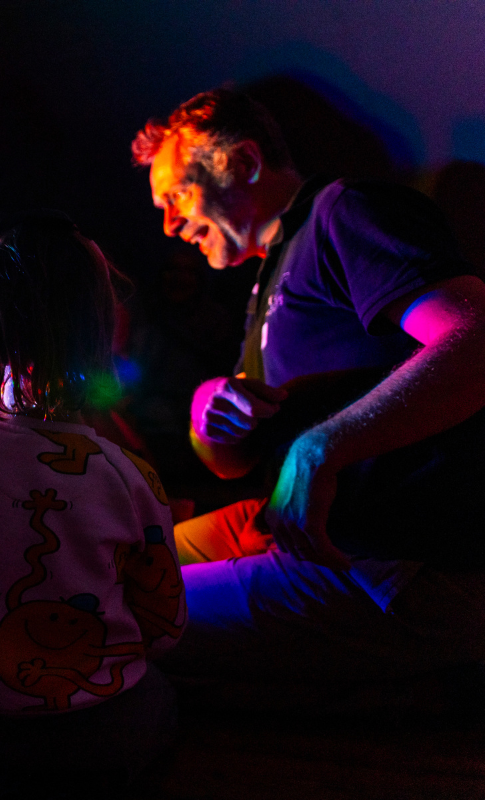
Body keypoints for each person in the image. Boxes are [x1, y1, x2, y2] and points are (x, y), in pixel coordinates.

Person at [131, 89, 485, 706]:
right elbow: (227, 463)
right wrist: (207, 414)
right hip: (286, 525)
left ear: (243, 162)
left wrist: (321, 447)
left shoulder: (343, 212)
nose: (170, 223)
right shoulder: (271, 275)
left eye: (177, 195)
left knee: (111, 619)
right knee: (116, 562)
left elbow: (475, 339)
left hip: (387, 560)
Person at [0, 213, 184, 796]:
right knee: (168, 691)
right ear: (100, 333)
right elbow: (166, 627)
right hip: (105, 732)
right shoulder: (126, 475)